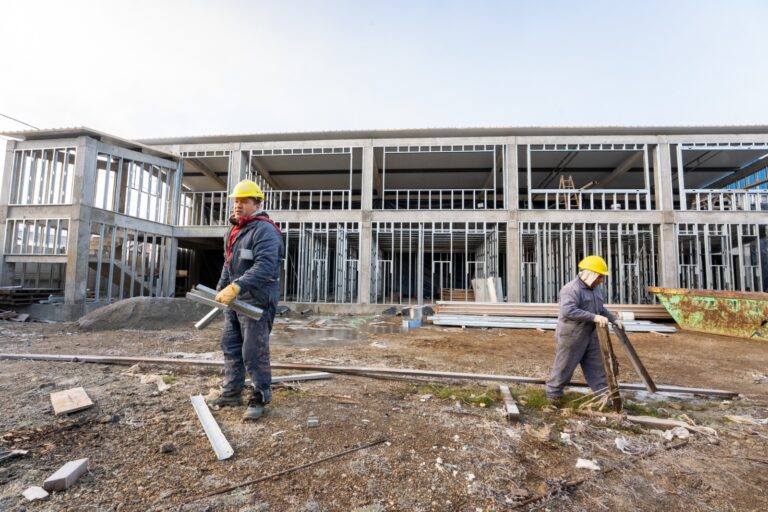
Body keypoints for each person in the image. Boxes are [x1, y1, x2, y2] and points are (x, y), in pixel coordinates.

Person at [207, 179, 285, 421]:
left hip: (257, 300)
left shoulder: (265, 231)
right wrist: (222, 287)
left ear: (257, 203)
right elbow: (229, 263)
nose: (238, 205)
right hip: (235, 299)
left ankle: (260, 396)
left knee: (253, 351)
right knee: (230, 346)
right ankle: (232, 392)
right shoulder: (234, 230)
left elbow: (266, 267)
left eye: (244, 201)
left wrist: (236, 286)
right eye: (236, 201)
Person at [545, 255, 624, 403]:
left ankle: (604, 395)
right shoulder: (571, 289)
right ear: (590, 274)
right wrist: (593, 317)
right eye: (600, 277)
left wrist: (614, 319)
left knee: (597, 366)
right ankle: (553, 393)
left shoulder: (597, 289)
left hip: (591, 334)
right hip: (572, 335)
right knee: (565, 365)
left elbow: (600, 309)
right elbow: (568, 311)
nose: (601, 280)